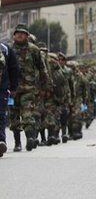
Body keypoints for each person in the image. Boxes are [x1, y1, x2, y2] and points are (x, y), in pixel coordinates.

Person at [10, 24, 50, 152]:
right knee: (14, 116)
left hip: (29, 88)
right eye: (18, 33)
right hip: (12, 90)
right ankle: (17, 143)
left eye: (23, 33)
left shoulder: (34, 50)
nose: (20, 35)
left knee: (28, 114)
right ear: (14, 35)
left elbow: (42, 69)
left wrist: (45, 87)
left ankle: (30, 139)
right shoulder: (8, 50)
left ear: (27, 35)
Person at [0, 41, 19, 157]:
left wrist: (13, 86)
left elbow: (13, 68)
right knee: (1, 114)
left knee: (1, 114)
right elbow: (14, 68)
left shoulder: (5, 48)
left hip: (2, 88)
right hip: (3, 88)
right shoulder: (6, 48)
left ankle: (1, 141)